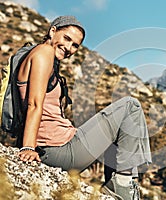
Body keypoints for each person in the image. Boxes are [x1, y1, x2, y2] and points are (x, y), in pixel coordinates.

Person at [17, 15, 152, 199]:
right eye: (66, 38)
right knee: (130, 107)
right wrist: (28, 147)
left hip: (59, 146)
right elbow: (34, 104)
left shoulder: (41, 56)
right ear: (53, 31)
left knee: (120, 128)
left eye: (75, 45)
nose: (69, 48)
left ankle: (120, 186)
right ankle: (122, 186)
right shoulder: (43, 53)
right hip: (57, 150)